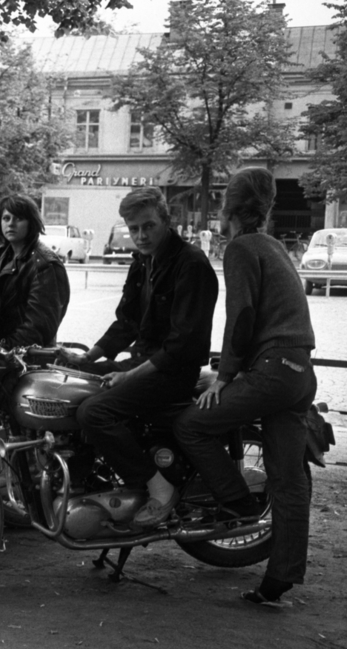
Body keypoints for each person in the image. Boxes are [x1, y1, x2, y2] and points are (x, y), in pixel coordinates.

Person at [173, 168, 317, 608]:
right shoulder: (275, 247)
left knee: (190, 425)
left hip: (271, 370)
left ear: (227, 208)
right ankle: (280, 582)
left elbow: (241, 318)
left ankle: (236, 504)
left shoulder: (239, 248)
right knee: (289, 483)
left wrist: (225, 375)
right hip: (300, 373)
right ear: (267, 206)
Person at [59, 187, 218, 528]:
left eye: (148, 226)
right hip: (144, 362)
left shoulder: (191, 264)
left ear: (166, 220)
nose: (140, 236)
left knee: (94, 412)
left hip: (174, 372)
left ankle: (159, 488)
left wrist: (128, 376)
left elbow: (180, 345)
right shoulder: (142, 262)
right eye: (133, 229)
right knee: (69, 387)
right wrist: (86, 359)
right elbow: (127, 322)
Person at [0, 194, 70, 348]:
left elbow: (38, 328)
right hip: (2, 353)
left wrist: (0, 349)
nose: (11, 224)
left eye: (18, 218)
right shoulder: (5, 256)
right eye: (6, 218)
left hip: (27, 360)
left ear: (31, 223)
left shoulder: (45, 265)